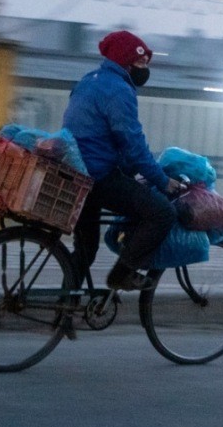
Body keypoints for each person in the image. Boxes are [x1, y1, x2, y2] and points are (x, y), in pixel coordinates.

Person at [63, 30, 184, 291]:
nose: (144, 70)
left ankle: (65, 308)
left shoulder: (88, 80)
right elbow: (133, 144)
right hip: (98, 177)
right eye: (140, 63)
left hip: (77, 174)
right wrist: (161, 180)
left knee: (85, 249)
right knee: (162, 213)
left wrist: (131, 170)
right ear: (125, 62)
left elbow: (104, 138)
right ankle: (122, 273)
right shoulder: (119, 90)